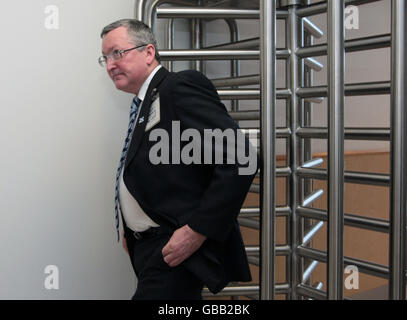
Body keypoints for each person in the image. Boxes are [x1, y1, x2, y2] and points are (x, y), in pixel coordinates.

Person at [99, 19, 257, 300]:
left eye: (117, 53)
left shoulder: (178, 88)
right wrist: (131, 226)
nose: (110, 65)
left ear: (148, 53)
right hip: (146, 246)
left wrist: (198, 230)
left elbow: (241, 156)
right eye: (105, 58)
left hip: (174, 246)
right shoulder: (144, 103)